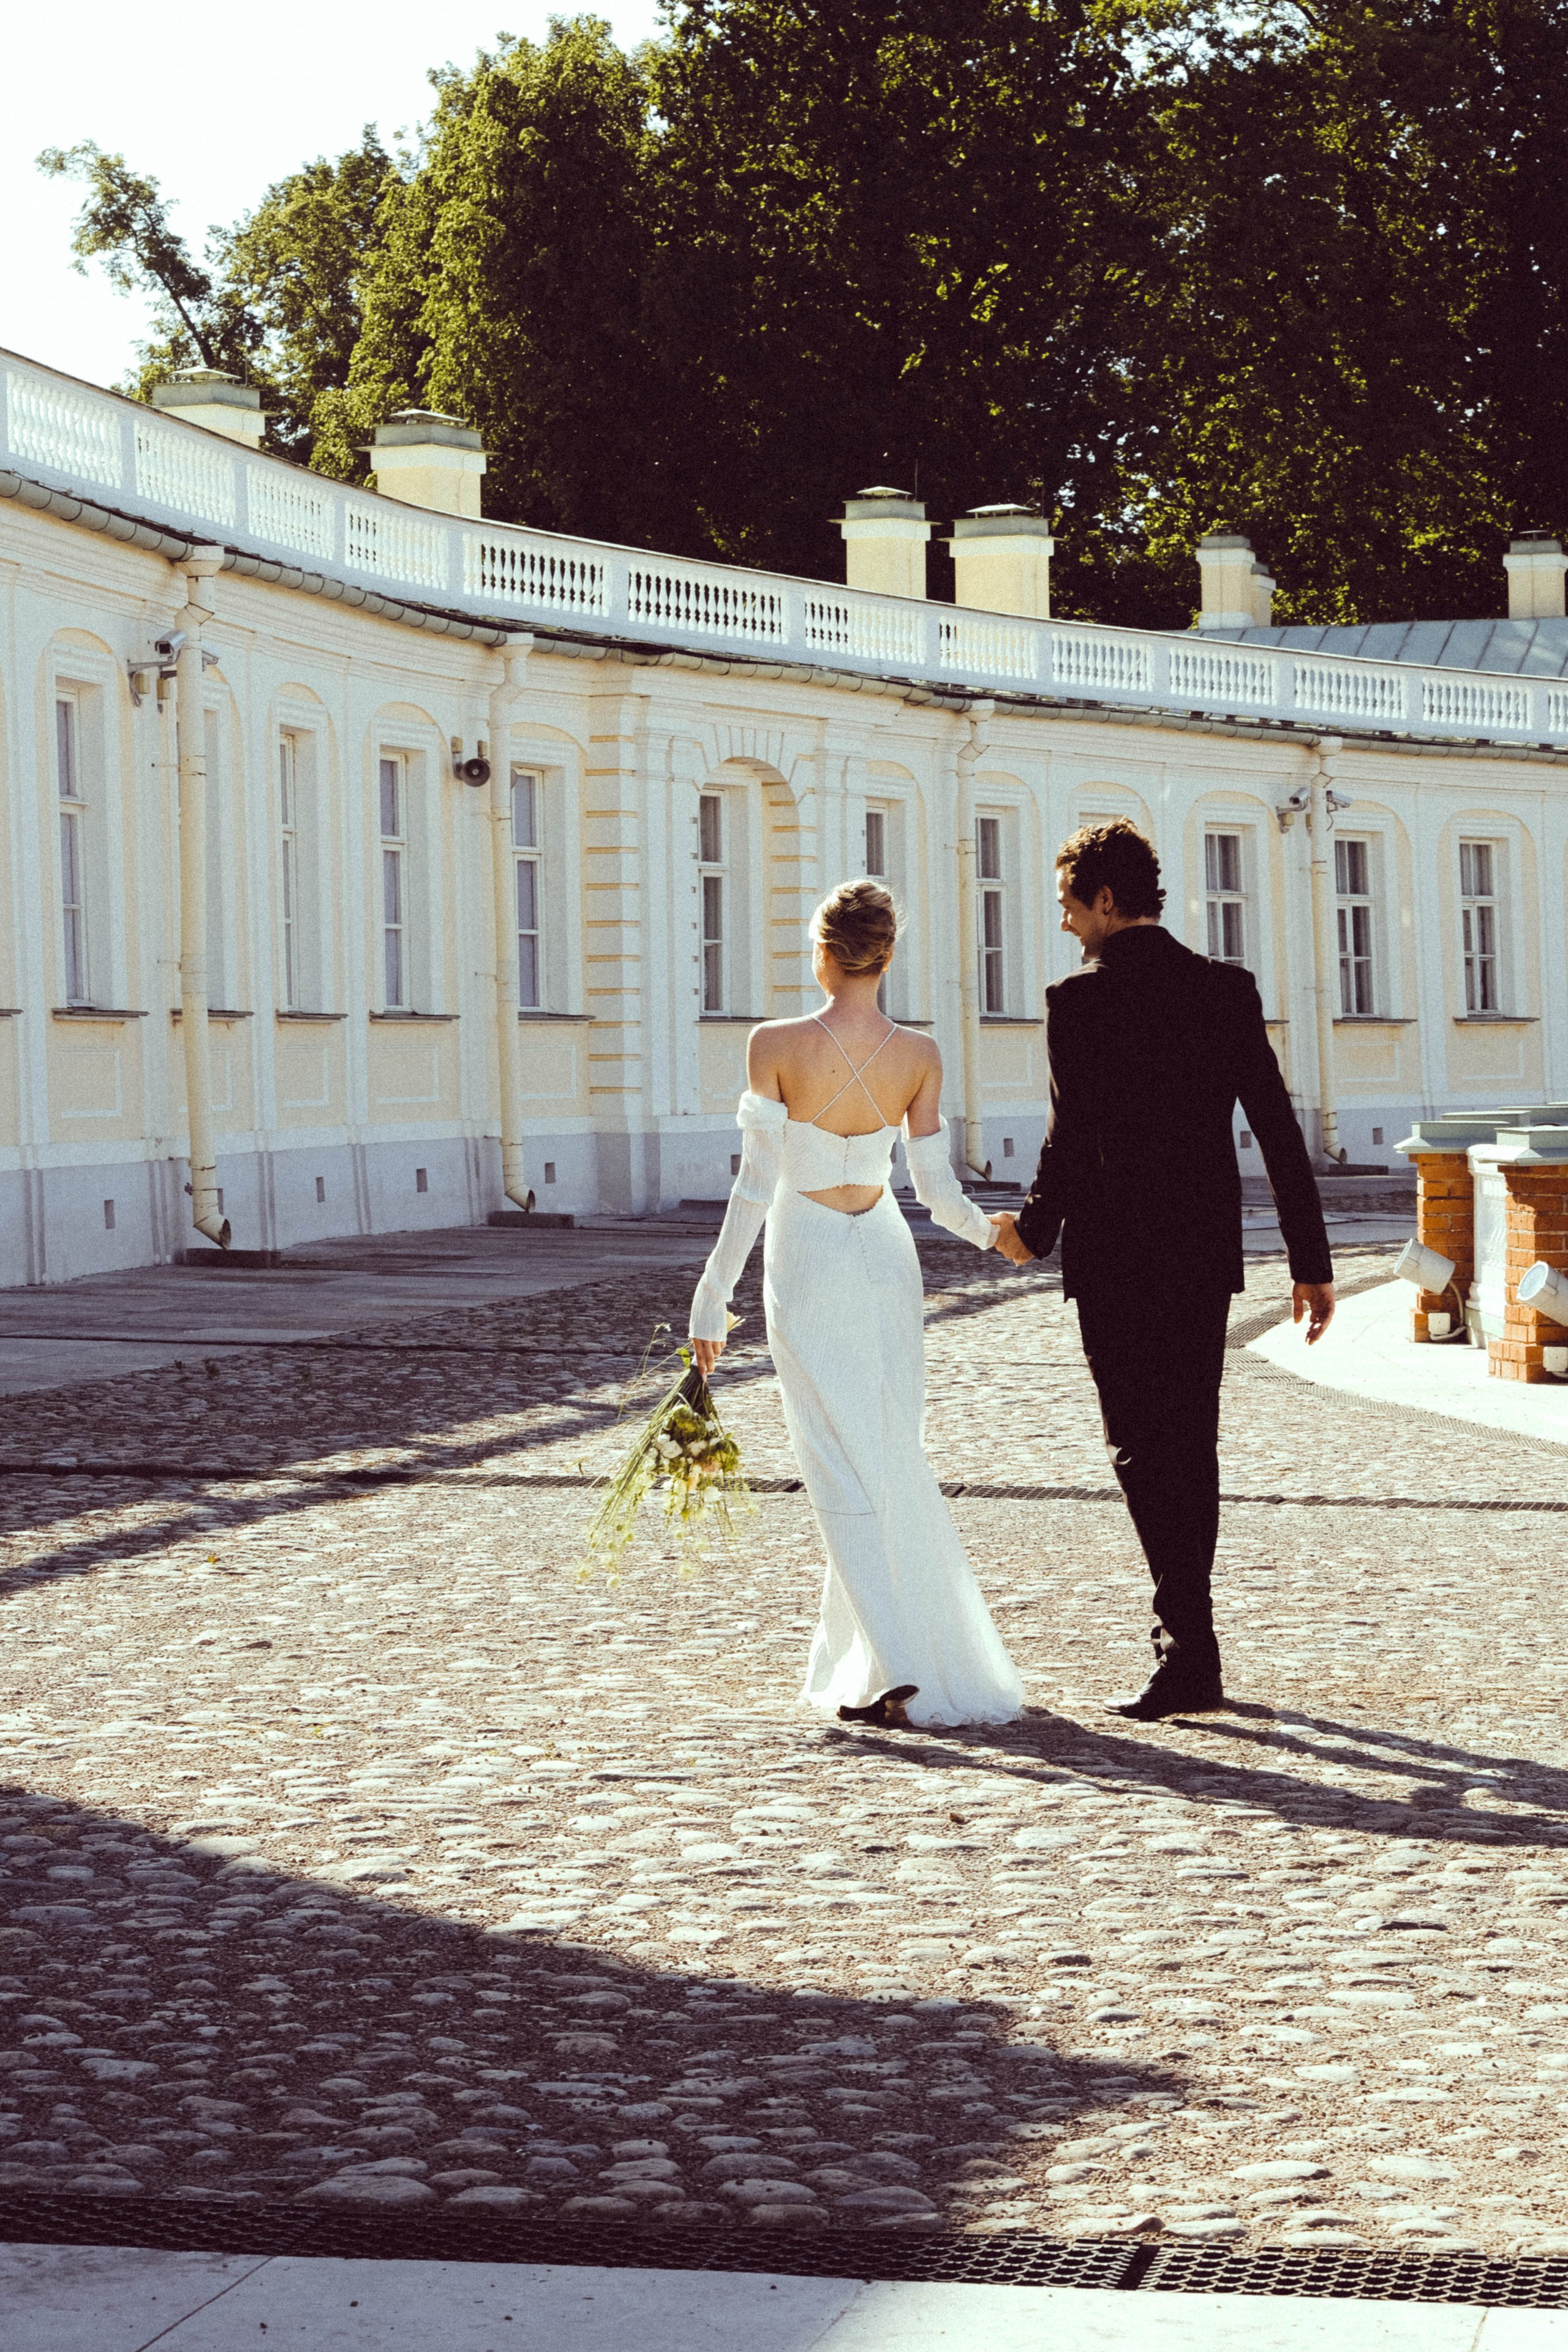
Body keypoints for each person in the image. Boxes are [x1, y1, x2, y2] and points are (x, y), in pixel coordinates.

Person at [991, 820, 1335, 1722]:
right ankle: (1191, 1645)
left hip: (1114, 1256)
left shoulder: (1078, 1001)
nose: (1065, 923)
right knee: (1192, 1442)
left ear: (1106, 900)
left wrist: (1032, 1232)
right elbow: (1277, 1126)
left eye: (1070, 906)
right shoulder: (1226, 989)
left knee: (1141, 1450)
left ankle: (1188, 1648)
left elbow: (1069, 1137)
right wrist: (1311, 1262)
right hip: (1198, 1251)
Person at [689, 879, 1025, 1732]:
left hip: (807, 1253)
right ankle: (875, 1657)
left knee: (838, 1458)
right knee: (888, 1449)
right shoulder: (921, 1053)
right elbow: (937, 1192)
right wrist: (995, 1236)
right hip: (883, 1253)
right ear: (887, 954)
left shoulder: (774, 1043)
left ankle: (896, 1662)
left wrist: (711, 1298)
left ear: (823, 952)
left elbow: (756, 1185)